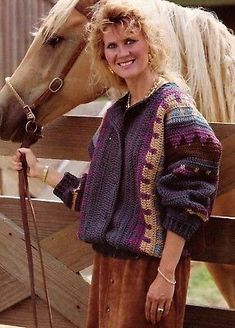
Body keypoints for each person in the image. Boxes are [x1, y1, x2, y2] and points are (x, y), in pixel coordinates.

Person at [12, 0, 222, 327]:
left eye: (130, 41)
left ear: (149, 44)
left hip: (150, 271)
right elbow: (98, 197)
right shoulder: (115, 115)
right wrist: (41, 172)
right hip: (108, 267)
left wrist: (165, 277)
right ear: (104, 56)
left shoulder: (175, 108)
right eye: (112, 46)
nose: (122, 52)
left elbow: (188, 204)